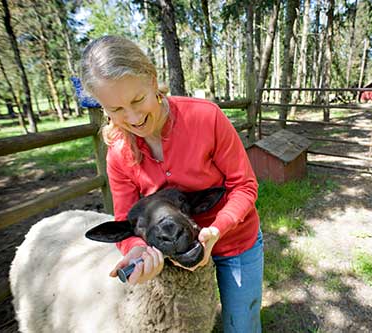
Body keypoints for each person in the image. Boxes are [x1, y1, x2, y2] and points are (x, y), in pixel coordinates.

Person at [80, 35, 263, 332]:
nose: (133, 117)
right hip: (174, 253)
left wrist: (217, 229)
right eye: (115, 110)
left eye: (138, 100)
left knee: (241, 325)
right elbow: (125, 220)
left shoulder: (206, 118)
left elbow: (244, 186)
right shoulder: (118, 154)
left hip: (233, 240)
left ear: (152, 81)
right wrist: (137, 250)